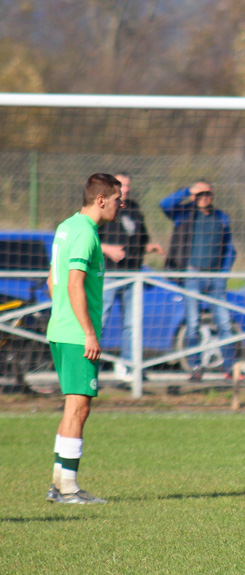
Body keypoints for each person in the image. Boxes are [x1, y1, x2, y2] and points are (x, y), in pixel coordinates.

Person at [45, 173, 122, 504]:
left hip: (60, 330)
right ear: (101, 200)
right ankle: (70, 489)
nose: (121, 205)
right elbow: (74, 283)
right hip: (78, 335)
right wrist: (88, 332)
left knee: (71, 408)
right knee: (79, 409)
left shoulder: (66, 227)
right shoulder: (88, 236)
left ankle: (58, 483)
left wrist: (62, 313)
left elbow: (52, 280)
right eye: (118, 199)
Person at [160, 179, 241, 382]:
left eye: (207, 194)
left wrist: (223, 272)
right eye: (200, 194)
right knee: (193, 323)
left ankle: (230, 369)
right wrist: (188, 190)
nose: (204, 198)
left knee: (224, 322)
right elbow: (165, 205)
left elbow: (230, 249)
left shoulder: (221, 218)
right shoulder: (185, 214)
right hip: (192, 275)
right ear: (195, 196)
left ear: (212, 196)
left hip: (216, 278)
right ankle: (195, 367)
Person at [99, 172, 164, 382]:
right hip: (109, 274)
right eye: (120, 186)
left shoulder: (135, 209)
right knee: (99, 319)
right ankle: (89, 363)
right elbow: (88, 240)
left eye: (127, 186)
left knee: (132, 323)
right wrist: (107, 249)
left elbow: (138, 241)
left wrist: (149, 247)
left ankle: (129, 366)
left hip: (133, 275)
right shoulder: (102, 208)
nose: (125, 189)